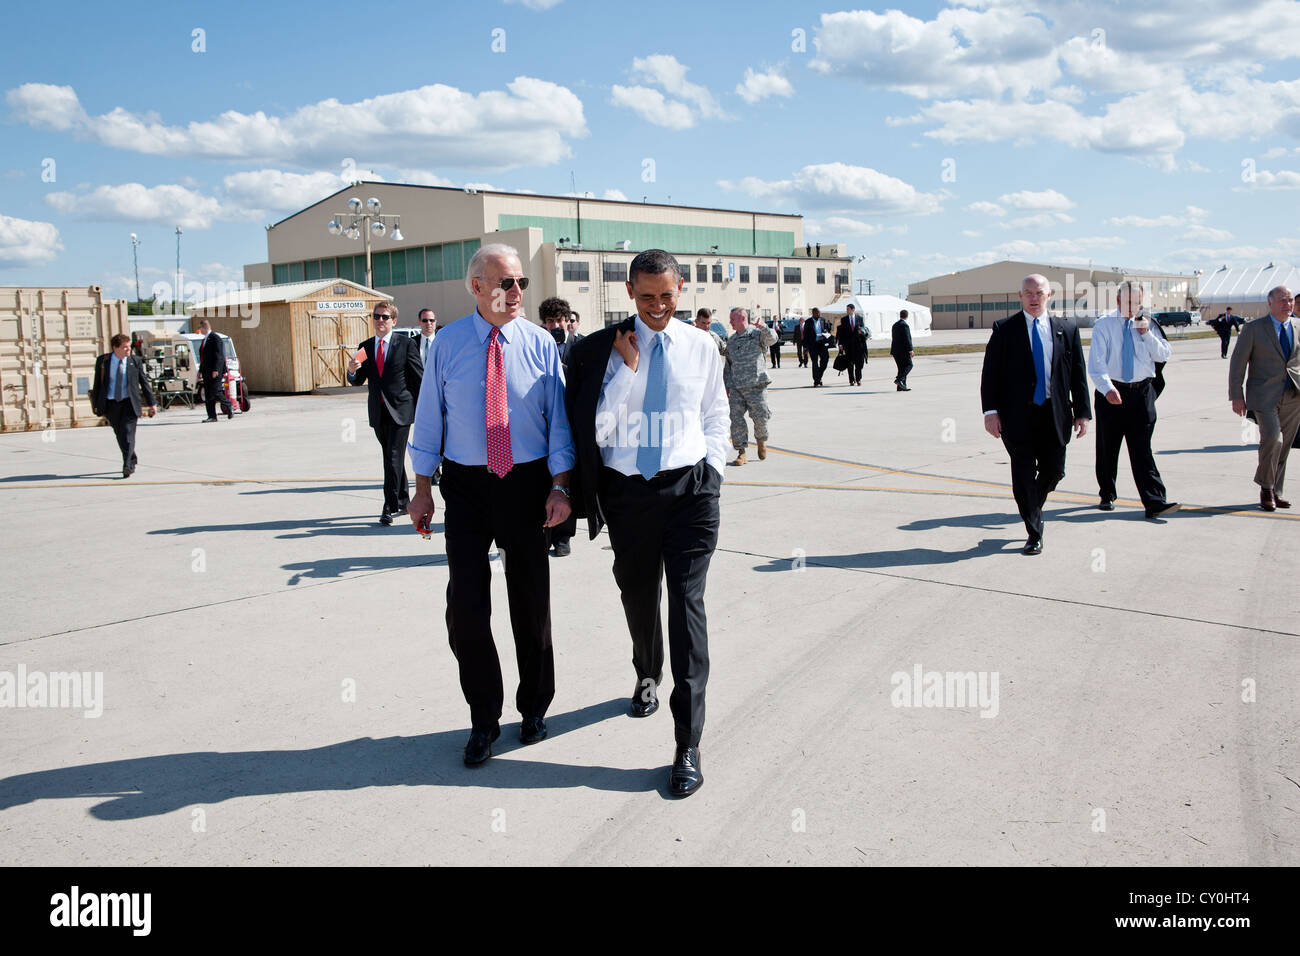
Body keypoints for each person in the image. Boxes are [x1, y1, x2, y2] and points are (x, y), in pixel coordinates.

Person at [565, 249, 728, 798]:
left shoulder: (703, 346)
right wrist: (626, 374)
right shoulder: (606, 351)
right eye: (646, 296)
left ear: (680, 289)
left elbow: (715, 413)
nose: (658, 306)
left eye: (667, 295)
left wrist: (716, 468)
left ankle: (687, 743)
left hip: (690, 492)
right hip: (629, 496)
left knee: (686, 605)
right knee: (639, 597)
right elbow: (598, 427)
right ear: (630, 293)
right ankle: (645, 673)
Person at [407, 243, 574, 765]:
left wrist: (561, 486)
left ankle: (534, 709)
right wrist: (420, 488)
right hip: (467, 487)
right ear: (477, 287)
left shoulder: (540, 343)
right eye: (506, 283)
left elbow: (560, 423)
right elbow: (429, 418)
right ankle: (484, 718)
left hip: (526, 485)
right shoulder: (448, 345)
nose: (517, 292)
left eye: (521, 282)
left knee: (531, 603)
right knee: (467, 608)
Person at [980, 274, 1092, 555]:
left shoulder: (1066, 328)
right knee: (1023, 475)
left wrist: (1083, 412)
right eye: (1028, 293)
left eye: (1038, 293)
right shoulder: (1005, 329)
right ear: (1020, 296)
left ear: (1049, 295)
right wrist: (990, 412)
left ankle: (1032, 506)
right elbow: (990, 374)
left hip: (1055, 414)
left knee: (1055, 471)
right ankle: (1034, 532)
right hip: (1017, 417)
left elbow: (1078, 372)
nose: (1033, 298)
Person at [1087, 281, 1179, 518]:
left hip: (1142, 394)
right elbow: (1096, 365)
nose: (1133, 306)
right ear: (1118, 301)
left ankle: (1155, 502)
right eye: (1128, 302)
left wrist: (1146, 333)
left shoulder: (1149, 324)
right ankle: (1107, 492)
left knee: (1142, 449)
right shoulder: (1104, 325)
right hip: (1112, 393)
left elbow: (1164, 354)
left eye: (1137, 302)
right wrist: (1107, 389)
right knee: (1108, 447)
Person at [347, 301, 423, 526]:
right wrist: (351, 371)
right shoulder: (365, 347)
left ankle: (388, 507)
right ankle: (402, 499)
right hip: (378, 411)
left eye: (385, 317)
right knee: (392, 456)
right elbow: (357, 380)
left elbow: (418, 378)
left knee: (392, 456)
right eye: (377, 316)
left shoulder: (406, 344)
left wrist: (426, 408)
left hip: (401, 409)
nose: (380, 320)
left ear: (394, 320)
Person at [1228, 285, 1300, 511]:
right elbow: (1238, 363)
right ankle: (1266, 488)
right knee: (1273, 440)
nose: (1287, 304)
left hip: (1293, 395)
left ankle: (1276, 491)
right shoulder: (1254, 328)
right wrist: (1236, 395)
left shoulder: (1298, 326)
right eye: (1282, 300)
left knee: (1284, 446)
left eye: (1290, 300)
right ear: (1270, 303)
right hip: (1264, 397)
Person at [538, 296, 580, 556]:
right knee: (545, 482)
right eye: (550, 320)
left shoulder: (580, 346)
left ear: (568, 321)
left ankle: (564, 536)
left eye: (560, 320)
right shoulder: (538, 345)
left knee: (567, 479)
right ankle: (545, 531)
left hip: (571, 422)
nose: (556, 325)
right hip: (544, 423)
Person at [91, 333, 158, 478]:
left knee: (128, 433)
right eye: (125, 347)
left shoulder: (135, 361)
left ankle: (127, 465)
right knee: (120, 435)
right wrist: (96, 403)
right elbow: (97, 384)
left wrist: (152, 403)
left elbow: (144, 382)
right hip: (111, 403)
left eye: (129, 347)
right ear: (115, 348)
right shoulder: (103, 361)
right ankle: (131, 457)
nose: (128, 350)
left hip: (129, 403)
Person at [724, 307, 777, 465]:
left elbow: (773, 339)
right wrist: (727, 384)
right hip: (737, 387)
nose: (730, 322)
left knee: (760, 418)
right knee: (736, 419)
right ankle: (741, 452)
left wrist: (764, 327)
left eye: (732, 319)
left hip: (756, 385)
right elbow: (728, 365)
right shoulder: (731, 341)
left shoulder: (757, 335)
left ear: (742, 318)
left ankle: (761, 441)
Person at [197, 319, 232, 421]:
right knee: (208, 394)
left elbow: (219, 356)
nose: (200, 331)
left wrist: (216, 369)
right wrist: (200, 371)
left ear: (203, 328)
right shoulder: (205, 340)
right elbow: (204, 358)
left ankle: (228, 404)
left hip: (214, 371)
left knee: (216, 391)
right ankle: (212, 416)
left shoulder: (215, 338)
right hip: (206, 371)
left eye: (200, 328)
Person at [837, 303, 868, 386]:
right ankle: (851, 380)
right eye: (846, 309)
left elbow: (863, 329)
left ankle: (858, 379)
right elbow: (841, 333)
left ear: (853, 309)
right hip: (848, 345)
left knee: (859, 363)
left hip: (858, 344)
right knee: (849, 363)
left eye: (848, 309)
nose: (847, 311)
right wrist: (840, 344)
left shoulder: (859, 318)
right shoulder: (844, 319)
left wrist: (861, 332)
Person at [802, 307, 831, 387]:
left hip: (822, 344)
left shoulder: (823, 320)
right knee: (814, 363)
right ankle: (816, 380)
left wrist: (826, 334)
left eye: (819, 313)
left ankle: (819, 376)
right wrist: (805, 347)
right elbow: (805, 335)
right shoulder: (808, 322)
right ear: (813, 313)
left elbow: (826, 330)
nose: (819, 314)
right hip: (813, 345)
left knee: (825, 360)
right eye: (817, 313)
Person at [891, 310, 914, 391]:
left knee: (901, 368)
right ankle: (899, 380)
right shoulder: (905, 325)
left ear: (900, 315)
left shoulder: (895, 325)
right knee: (909, 365)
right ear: (907, 316)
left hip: (895, 351)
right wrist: (910, 350)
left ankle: (901, 386)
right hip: (903, 351)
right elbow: (907, 339)